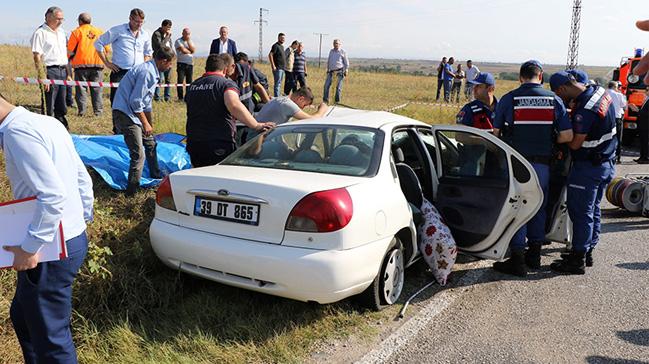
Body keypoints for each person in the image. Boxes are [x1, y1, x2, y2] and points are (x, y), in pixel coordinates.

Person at [0, 92, 94, 363]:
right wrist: (81, 219)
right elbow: (81, 178)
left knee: (51, 338)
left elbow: (52, 196)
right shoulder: (47, 122)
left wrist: (30, 247)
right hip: (68, 237)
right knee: (24, 316)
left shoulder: (18, 133)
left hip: (48, 249)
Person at [491, 60, 573, 277]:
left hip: (517, 165)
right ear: (541, 76)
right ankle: (534, 256)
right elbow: (567, 136)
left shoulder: (509, 99)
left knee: (518, 208)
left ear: (520, 77)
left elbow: (496, 133)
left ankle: (517, 259)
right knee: (538, 207)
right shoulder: (554, 100)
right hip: (543, 165)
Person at [549, 71, 617, 274]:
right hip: (606, 162)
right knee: (593, 210)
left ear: (562, 89)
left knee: (580, 212)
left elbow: (576, 143)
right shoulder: (600, 91)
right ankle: (587, 251)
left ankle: (577, 259)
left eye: (558, 95)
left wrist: (559, 137)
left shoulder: (585, 109)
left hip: (588, 167)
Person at [185, 53, 274, 167]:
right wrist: (256, 125)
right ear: (225, 69)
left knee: (201, 178)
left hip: (194, 143)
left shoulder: (193, 86)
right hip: (218, 143)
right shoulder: (225, 84)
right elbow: (233, 104)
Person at [112, 47, 175, 196]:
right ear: (163, 61)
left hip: (135, 112)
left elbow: (146, 104)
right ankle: (132, 191)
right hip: (126, 113)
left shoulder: (154, 72)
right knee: (138, 154)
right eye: (170, 63)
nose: (171, 66)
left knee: (151, 143)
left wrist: (149, 125)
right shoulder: (147, 72)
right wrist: (144, 123)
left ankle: (155, 174)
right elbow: (135, 102)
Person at [95, 8, 153, 106]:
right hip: (120, 72)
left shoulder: (145, 34)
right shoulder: (118, 30)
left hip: (138, 73)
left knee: (136, 101)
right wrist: (107, 63)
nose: (139, 24)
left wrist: (144, 65)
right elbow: (98, 43)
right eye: (137, 21)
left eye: (142, 22)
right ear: (130, 18)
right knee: (117, 101)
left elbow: (148, 52)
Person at [31, 6, 70, 128]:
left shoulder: (62, 32)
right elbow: (37, 56)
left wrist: (69, 73)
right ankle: (47, 128)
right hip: (49, 71)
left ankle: (62, 127)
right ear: (48, 17)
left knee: (62, 103)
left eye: (62, 19)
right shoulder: (40, 33)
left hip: (63, 70)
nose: (60, 22)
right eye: (58, 19)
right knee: (49, 103)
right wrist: (43, 77)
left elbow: (65, 54)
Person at [67, 12, 107, 117]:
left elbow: (70, 51)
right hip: (97, 65)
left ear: (80, 21)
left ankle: (82, 112)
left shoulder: (76, 32)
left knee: (81, 90)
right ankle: (98, 112)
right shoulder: (99, 32)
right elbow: (107, 49)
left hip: (81, 65)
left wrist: (69, 60)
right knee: (97, 90)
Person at [249, 87, 328, 139]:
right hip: (255, 141)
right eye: (304, 105)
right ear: (301, 99)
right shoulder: (288, 104)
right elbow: (312, 119)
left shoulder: (281, 99)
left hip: (255, 138)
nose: (302, 108)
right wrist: (323, 108)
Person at [231, 52, 271, 145]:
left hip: (253, 107)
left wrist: (254, 100)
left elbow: (262, 89)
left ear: (247, 62)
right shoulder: (230, 75)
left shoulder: (255, 73)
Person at [152, 19, 175, 102]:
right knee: (159, 78)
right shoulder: (157, 34)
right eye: (167, 28)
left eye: (170, 28)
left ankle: (167, 97)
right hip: (160, 60)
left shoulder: (168, 36)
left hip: (168, 60)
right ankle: (157, 97)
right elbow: (160, 46)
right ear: (163, 26)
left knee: (168, 79)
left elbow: (170, 47)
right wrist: (167, 37)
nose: (169, 30)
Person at [606, 81, 628, 162]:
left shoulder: (604, 93)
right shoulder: (619, 95)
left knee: (606, 137)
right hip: (616, 118)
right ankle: (617, 157)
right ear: (615, 87)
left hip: (606, 118)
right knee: (618, 138)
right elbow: (623, 105)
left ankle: (606, 155)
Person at [323, 39, 349, 104]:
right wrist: (328, 68)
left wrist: (346, 70)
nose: (336, 44)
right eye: (334, 43)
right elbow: (329, 60)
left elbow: (346, 62)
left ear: (340, 44)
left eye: (337, 43)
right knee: (326, 86)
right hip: (331, 71)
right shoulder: (331, 51)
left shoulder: (342, 52)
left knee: (338, 87)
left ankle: (337, 101)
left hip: (339, 71)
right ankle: (325, 101)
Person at [175, 27, 195, 102]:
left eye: (189, 34)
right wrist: (190, 51)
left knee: (189, 81)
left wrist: (188, 42)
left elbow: (193, 50)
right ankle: (180, 98)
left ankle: (188, 97)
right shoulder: (178, 41)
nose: (187, 35)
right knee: (180, 81)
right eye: (186, 33)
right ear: (182, 33)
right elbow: (183, 50)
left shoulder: (191, 41)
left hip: (190, 64)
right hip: (181, 63)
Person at [632, 87, 649, 163]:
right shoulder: (646, 99)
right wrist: (637, 109)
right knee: (642, 141)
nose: (646, 91)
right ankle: (642, 157)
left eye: (648, 90)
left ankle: (646, 158)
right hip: (642, 124)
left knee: (646, 142)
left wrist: (637, 110)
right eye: (646, 90)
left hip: (646, 125)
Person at [268, 33, 287, 97]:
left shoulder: (282, 46)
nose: (283, 39)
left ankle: (278, 96)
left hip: (282, 68)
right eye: (282, 38)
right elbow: (270, 55)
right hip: (278, 68)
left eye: (284, 38)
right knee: (277, 84)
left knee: (279, 84)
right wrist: (273, 65)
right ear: (278, 38)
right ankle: (277, 98)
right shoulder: (275, 46)